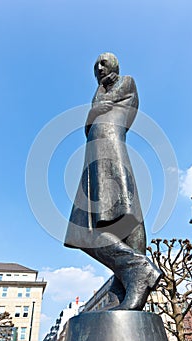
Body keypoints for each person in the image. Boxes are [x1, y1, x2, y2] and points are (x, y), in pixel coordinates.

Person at [64, 53, 162, 310]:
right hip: (96, 152)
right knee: (115, 217)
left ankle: (138, 270)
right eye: (95, 65)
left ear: (115, 65)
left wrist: (95, 110)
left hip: (109, 149)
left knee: (85, 229)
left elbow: (106, 109)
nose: (98, 68)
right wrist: (93, 111)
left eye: (103, 63)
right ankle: (129, 282)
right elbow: (91, 121)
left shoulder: (125, 81)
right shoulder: (99, 92)